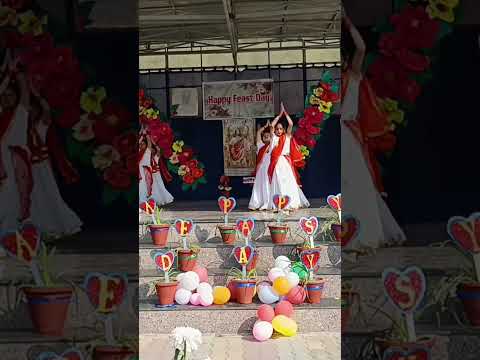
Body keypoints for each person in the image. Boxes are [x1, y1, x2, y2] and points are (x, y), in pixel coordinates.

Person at [341, 11, 406, 254]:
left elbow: (361, 47)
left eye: (341, 57)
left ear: (346, 59)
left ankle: (366, 234)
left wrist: (347, 21)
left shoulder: (353, 75)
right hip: (338, 135)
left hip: (351, 134)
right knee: (343, 185)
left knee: (359, 183)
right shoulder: (329, 84)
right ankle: (345, 234)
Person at [27, 89, 82, 237]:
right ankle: (40, 228)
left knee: (50, 195)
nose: (31, 113)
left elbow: (47, 111)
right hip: (28, 167)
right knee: (34, 199)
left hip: (42, 167)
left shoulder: (41, 125)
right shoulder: (20, 127)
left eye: (33, 110)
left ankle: (63, 225)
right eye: (28, 111)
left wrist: (37, 95)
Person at [0, 54, 32, 230]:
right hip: (1, 160)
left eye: (11, 95)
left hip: (15, 161)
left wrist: (18, 75)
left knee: (14, 197)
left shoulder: (20, 113)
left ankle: (10, 233)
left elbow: (25, 95)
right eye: (4, 95)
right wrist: (7, 73)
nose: (7, 98)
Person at [268, 103, 310, 210]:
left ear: (284, 130)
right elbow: (271, 126)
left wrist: (285, 113)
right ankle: (279, 203)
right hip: (276, 163)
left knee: (288, 181)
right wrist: (278, 116)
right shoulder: (273, 138)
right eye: (277, 129)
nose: (278, 131)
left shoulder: (286, 137)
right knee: (278, 182)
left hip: (285, 163)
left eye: (281, 129)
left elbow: (290, 124)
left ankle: (290, 202)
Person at [138, 131, 173, 206]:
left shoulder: (148, 152)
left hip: (149, 173)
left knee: (153, 187)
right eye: (141, 144)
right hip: (141, 172)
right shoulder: (138, 153)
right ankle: (143, 202)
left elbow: (153, 147)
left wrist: (147, 136)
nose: (141, 145)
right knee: (142, 187)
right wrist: (141, 136)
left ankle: (149, 202)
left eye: (143, 144)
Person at [249, 120, 272, 210]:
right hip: (261, 170)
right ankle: (256, 203)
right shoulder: (260, 145)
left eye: (268, 135)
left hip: (268, 170)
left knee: (266, 185)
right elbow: (258, 133)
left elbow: (273, 136)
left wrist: (271, 128)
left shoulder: (272, 146)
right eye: (264, 136)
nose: (266, 136)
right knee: (258, 186)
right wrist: (265, 126)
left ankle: (267, 203)